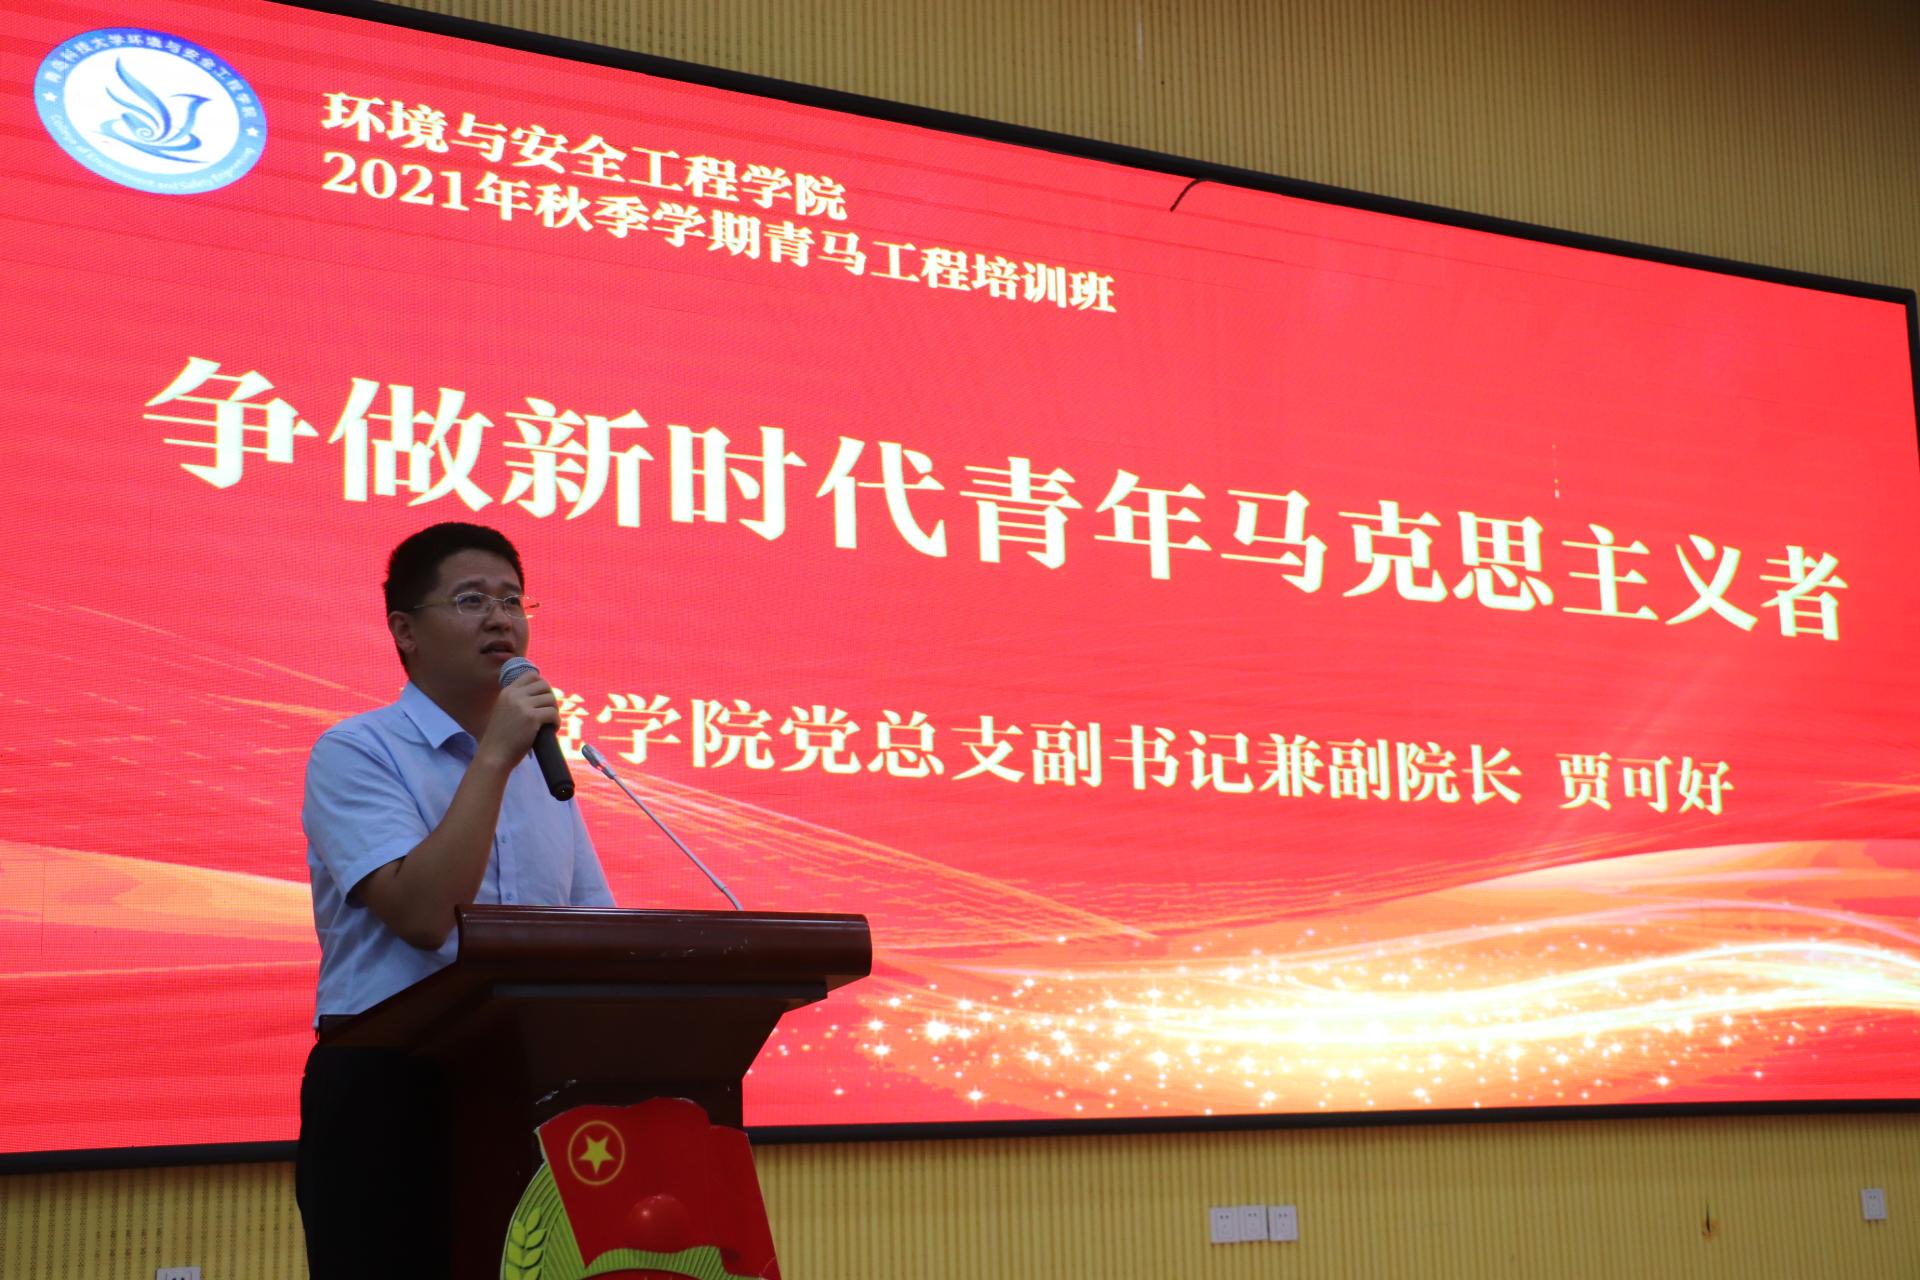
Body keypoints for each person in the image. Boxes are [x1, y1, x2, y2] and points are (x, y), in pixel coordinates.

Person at [294, 521, 614, 1280]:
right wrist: (496, 753)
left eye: (512, 600)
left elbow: (597, 932)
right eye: (471, 600)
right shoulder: (357, 751)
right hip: (389, 1089)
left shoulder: (542, 767)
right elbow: (423, 915)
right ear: (405, 631)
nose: (501, 619)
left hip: (525, 1088)